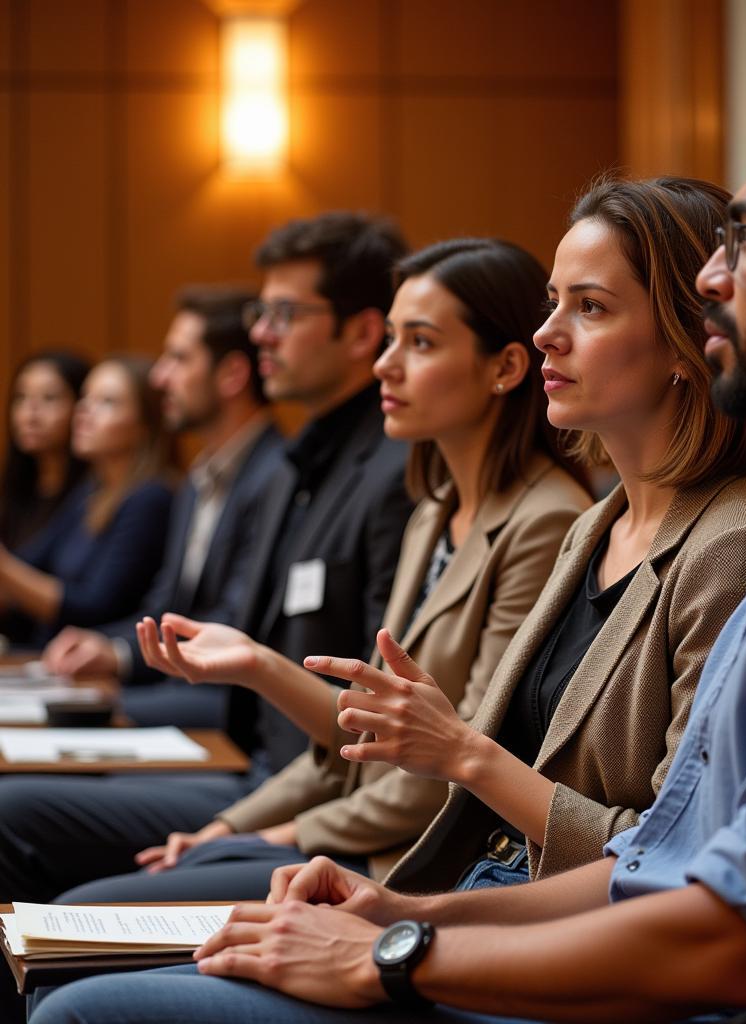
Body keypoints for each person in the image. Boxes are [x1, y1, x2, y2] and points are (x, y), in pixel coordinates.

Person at [29, 53, 746, 1024]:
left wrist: (397, 955)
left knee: (84, 1002)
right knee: (82, 965)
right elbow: (650, 868)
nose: (713, 278)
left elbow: (728, 940)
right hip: (592, 953)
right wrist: (411, 913)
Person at [104, 176, 746, 906]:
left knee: (90, 987)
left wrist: (407, 894)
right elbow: (411, 741)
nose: (548, 332)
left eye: (589, 307)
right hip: (466, 886)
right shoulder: (597, 523)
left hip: (533, 922)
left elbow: (671, 858)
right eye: (552, 302)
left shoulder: (732, 543)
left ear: (692, 340)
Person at [57, 237, 593, 901]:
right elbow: (362, 733)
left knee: (86, 909)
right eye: (390, 340)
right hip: (352, 829)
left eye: (419, 344)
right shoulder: (435, 511)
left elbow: (461, 770)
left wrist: (279, 835)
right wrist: (231, 825)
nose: (385, 367)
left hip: (412, 865)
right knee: (108, 892)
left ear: (506, 367)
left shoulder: (544, 521)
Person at [0, 210, 414, 911]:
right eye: (260, 312)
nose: (261, 334)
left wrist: (239, 821)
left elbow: (374, 701)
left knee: (26, 837)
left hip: (295, 782)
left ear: (361, 333)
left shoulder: (388, 472)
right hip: (255, 763)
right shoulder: (296, 464)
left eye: (283, 313)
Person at [40, 285, 285, 729]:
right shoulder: (197, 481)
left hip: (237, 711)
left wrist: (117, 666)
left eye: (178, 359)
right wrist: (104, 645)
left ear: (231, 374)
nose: (159, 377)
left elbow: (235, 624)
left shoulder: (279, 475)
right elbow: (165, 606)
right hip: (181, 690)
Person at [0, 354, 175, 647]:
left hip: (97, 665)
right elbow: (31, 563)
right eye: (84, 399)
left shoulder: (150, 498)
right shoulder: (92, 491)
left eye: (107, 402)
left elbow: (97, 607)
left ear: (146, 423)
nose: (84, 412)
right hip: (51, 659)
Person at [0, 351, 90, 552]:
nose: (30, 414)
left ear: (81, 407)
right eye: (20, 398)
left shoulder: (92, 494)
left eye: (49, 398)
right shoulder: (14, 491)